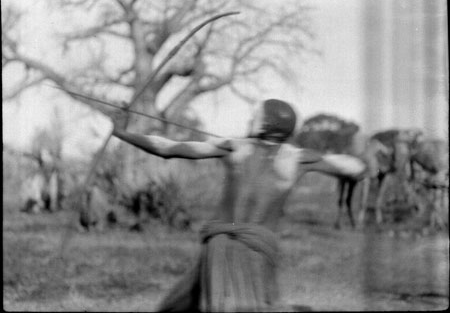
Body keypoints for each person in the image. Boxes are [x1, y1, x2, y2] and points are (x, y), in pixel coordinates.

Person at [111, 99, 366, 312]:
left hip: (220, 248)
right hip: (255, 250)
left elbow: (168, 149)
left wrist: (122, 132)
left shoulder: (235, 148)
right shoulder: (296, 158)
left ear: (265, 123)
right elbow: (355, 168)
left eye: (255, 116)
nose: (250, 119)